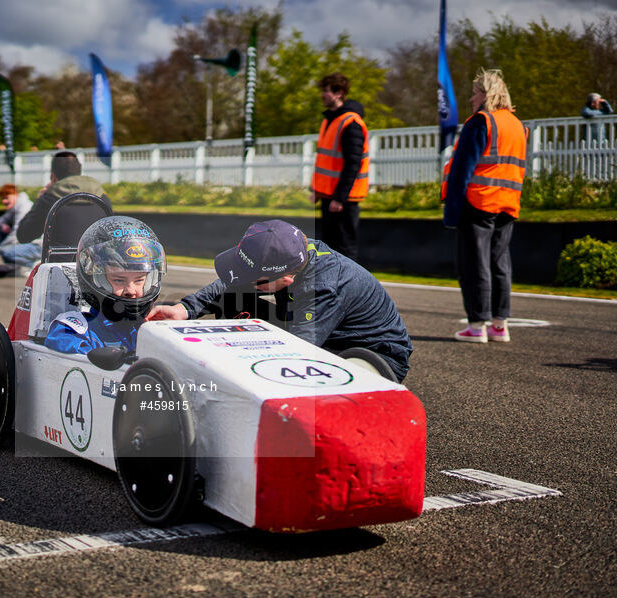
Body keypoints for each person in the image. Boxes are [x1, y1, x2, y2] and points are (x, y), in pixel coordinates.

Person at [146, 219, 413, 382]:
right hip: (326, 338)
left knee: (297, 386)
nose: (245, 281)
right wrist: (184, 309)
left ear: (285, 280)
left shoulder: (322, 287)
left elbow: (299, 353)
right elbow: (232, 282)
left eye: (253, 279)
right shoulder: (295, 251)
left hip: (375, 358)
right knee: (232, 299)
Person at [442, 68, 528, 344]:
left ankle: (477, 325)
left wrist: (452, 212)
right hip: (508, 202)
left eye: (475, 92)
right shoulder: (517, 124)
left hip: (479, 201)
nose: (471, 99)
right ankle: (499, 325)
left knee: (474, 264)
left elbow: (461, 170)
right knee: (500, 262)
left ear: (486, 94)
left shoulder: (481, 121)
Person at [44, 216, 166, 355]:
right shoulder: (73, 328)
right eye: (119, 281)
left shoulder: (148, 329)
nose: (131, 291)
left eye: (139, 280)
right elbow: (63, 343)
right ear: (96, 281)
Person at [311, 72, 370, 262]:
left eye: (326, 91)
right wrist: (316, 190)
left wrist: (340, 198)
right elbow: (325, 161)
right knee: (330, 248)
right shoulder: (330, 119)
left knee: (345, 247)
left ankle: (351, 289)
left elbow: (353, 164)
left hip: (343, 199)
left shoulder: (350, 123)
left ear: (339, 93)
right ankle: (334, 288)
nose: (322, 95)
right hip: (329, 196)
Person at [15, 151, 111, 245]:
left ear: (53, 176)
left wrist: (39, 200)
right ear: (79, 171)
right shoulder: (102, 198)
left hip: (61, 258)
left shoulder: (49, 199)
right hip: (95, 259)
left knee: (8, 253)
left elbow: (24, 236)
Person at [0, 183, 41, 269]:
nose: (4, 201)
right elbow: (0, 221)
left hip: (37, 245)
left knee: (5, 252)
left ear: (16, 195)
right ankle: (20, 265)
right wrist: (3, 225)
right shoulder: (15, 207)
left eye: (6, 198)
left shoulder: (24, 207)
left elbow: (16, 233)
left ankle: (33, 266)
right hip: (29, 242)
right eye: (2, 199)